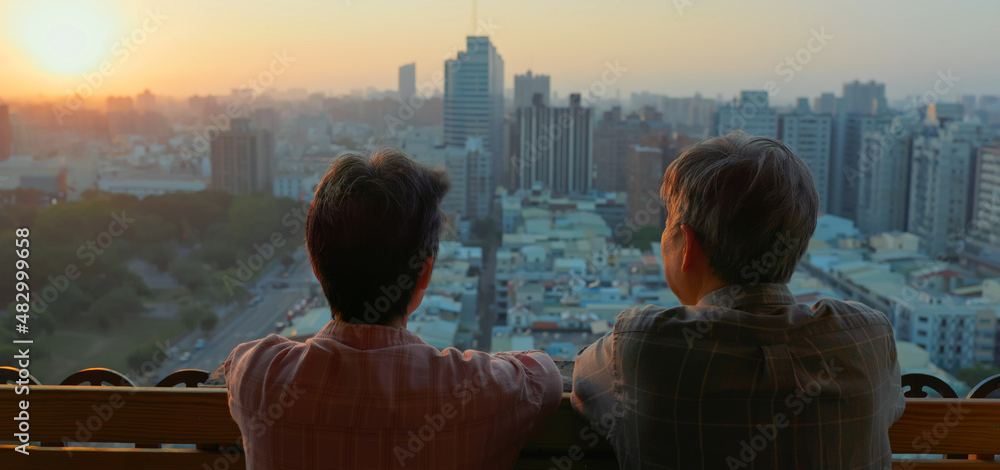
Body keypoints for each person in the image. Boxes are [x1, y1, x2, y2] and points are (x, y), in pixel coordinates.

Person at [572, 133, 905, 469]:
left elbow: (582, 381)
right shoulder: (870, 338)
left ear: (688, 245)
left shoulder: (642, 346)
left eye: (668, 223)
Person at [223, 149, 563, 469]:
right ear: (424, 272)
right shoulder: (476, 392)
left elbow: (235, 363)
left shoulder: (258, 376)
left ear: (316, 266)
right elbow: (545, 375)